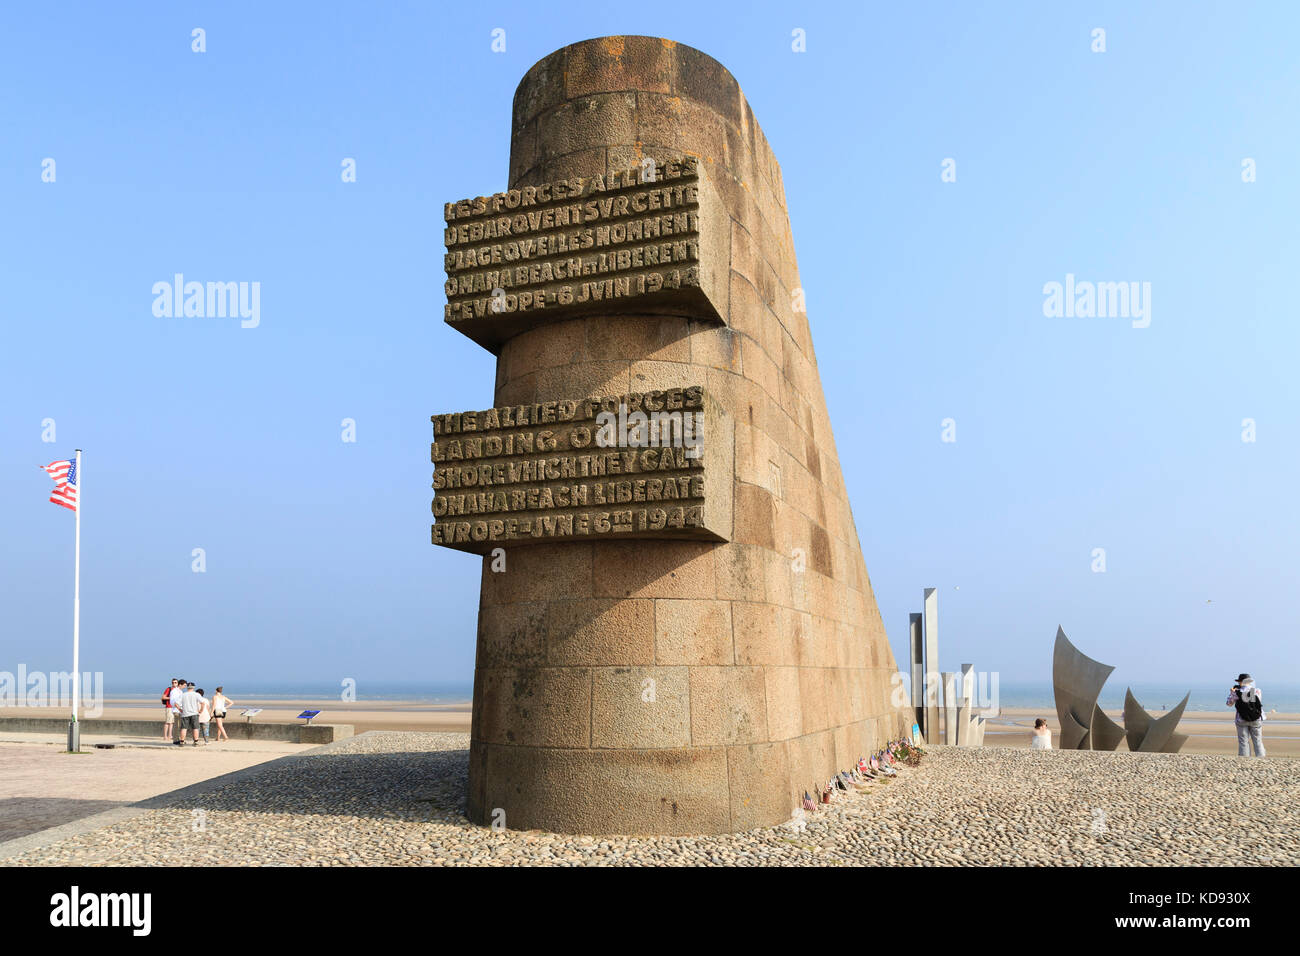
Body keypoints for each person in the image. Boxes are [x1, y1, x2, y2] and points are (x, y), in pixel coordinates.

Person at [1227, 673, 1265, 758]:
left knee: (1243, 741)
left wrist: (1232, 693)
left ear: (1240, 682)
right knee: (1258, 740)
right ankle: (1261, 759)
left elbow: (1229, 703)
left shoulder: (1237, 692)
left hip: (1241, 719)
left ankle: (1244, 759)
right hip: (1256, 719)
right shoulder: (1257, 690)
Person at [179, 681, 202, 746]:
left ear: (187, 687)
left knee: (184, 728)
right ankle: (196, 742)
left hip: (185, 713)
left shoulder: (183, 694)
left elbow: (176, 703)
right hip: (194, 713)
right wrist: (201, 710)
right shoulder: (196, 694)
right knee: (195, 728)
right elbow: (202, 702)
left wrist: (180, 709)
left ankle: (182, 742)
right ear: (193, 687)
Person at [171, 677, 188, 745]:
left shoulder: (180, 691)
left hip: (180, 710)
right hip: (177, 711)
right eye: (184, 685)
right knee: (177, 726)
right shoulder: (174, 691)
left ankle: (181, 739)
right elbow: (173, 702)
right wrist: (180, 709)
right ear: (180, 684)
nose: (185, 687)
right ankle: (175, 740)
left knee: (181, 726)